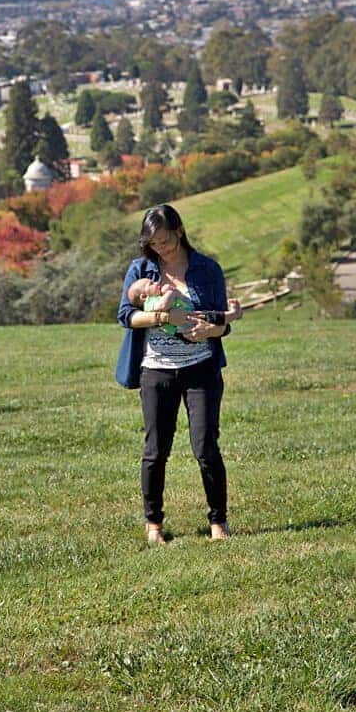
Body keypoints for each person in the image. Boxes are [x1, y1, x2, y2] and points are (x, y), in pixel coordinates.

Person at [116, 204, 235, 545]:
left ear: (180, 231)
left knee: (206, 446)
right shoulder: (140, 270)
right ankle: (153, 524)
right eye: (154, 243)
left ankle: (218, 522)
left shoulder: (207, 269)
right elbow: (126, 316)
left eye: (166, 240)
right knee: (156, 450)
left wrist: (209, 332)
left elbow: (221, 321)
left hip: (201, 370)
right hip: (156, 370)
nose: (161, 248)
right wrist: (160, 319)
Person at [127, 277, 242, 337]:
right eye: (151, 284)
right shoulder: (149, 303)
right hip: (186, 322)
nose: (156, 283)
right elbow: (162, 307)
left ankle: (233, 314)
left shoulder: (156, 297)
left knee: (213, 318)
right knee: (213, 317)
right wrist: (170, 292)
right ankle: (234, 314)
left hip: (187, 319)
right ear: (143, 296)